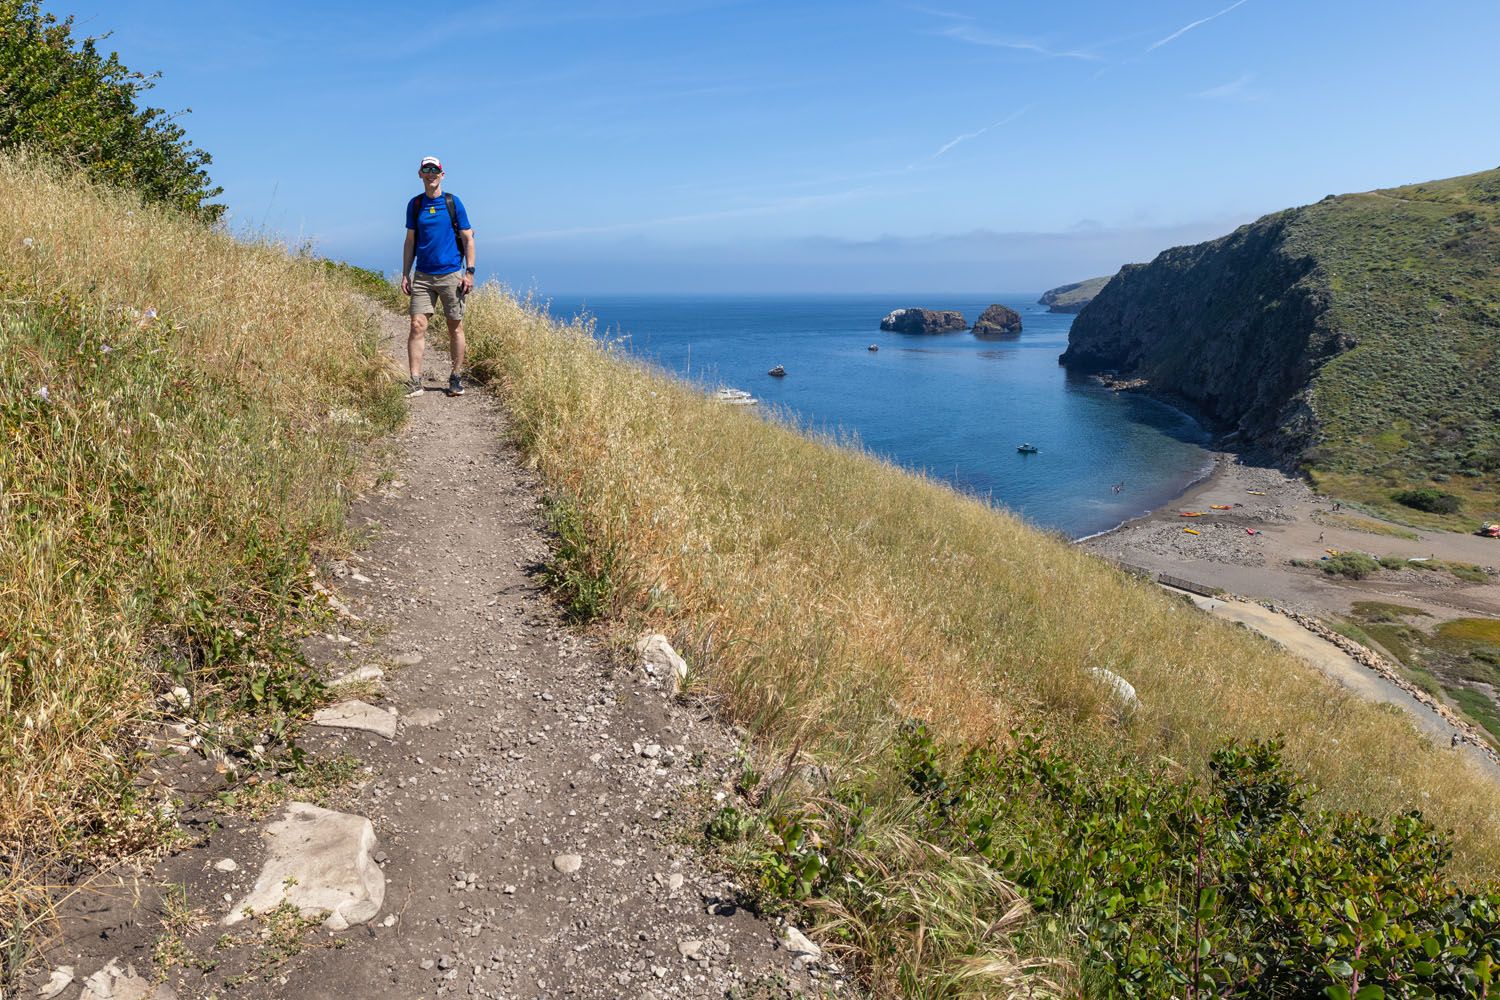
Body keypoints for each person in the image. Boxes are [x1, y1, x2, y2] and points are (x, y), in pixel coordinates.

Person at [401, 156, 475, 397]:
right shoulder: (415, 205)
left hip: (451, 274)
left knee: (454, 326)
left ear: (442, 174)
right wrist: (405, 273)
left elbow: (468, 238)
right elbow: (410, 241)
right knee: (417, 325)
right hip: (423, 275)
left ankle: (455, 377)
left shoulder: (453, 203)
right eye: (426, 170)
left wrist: (469, 272)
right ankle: (414, 380)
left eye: (435, 170)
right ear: (420, 174)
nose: (431, 173)